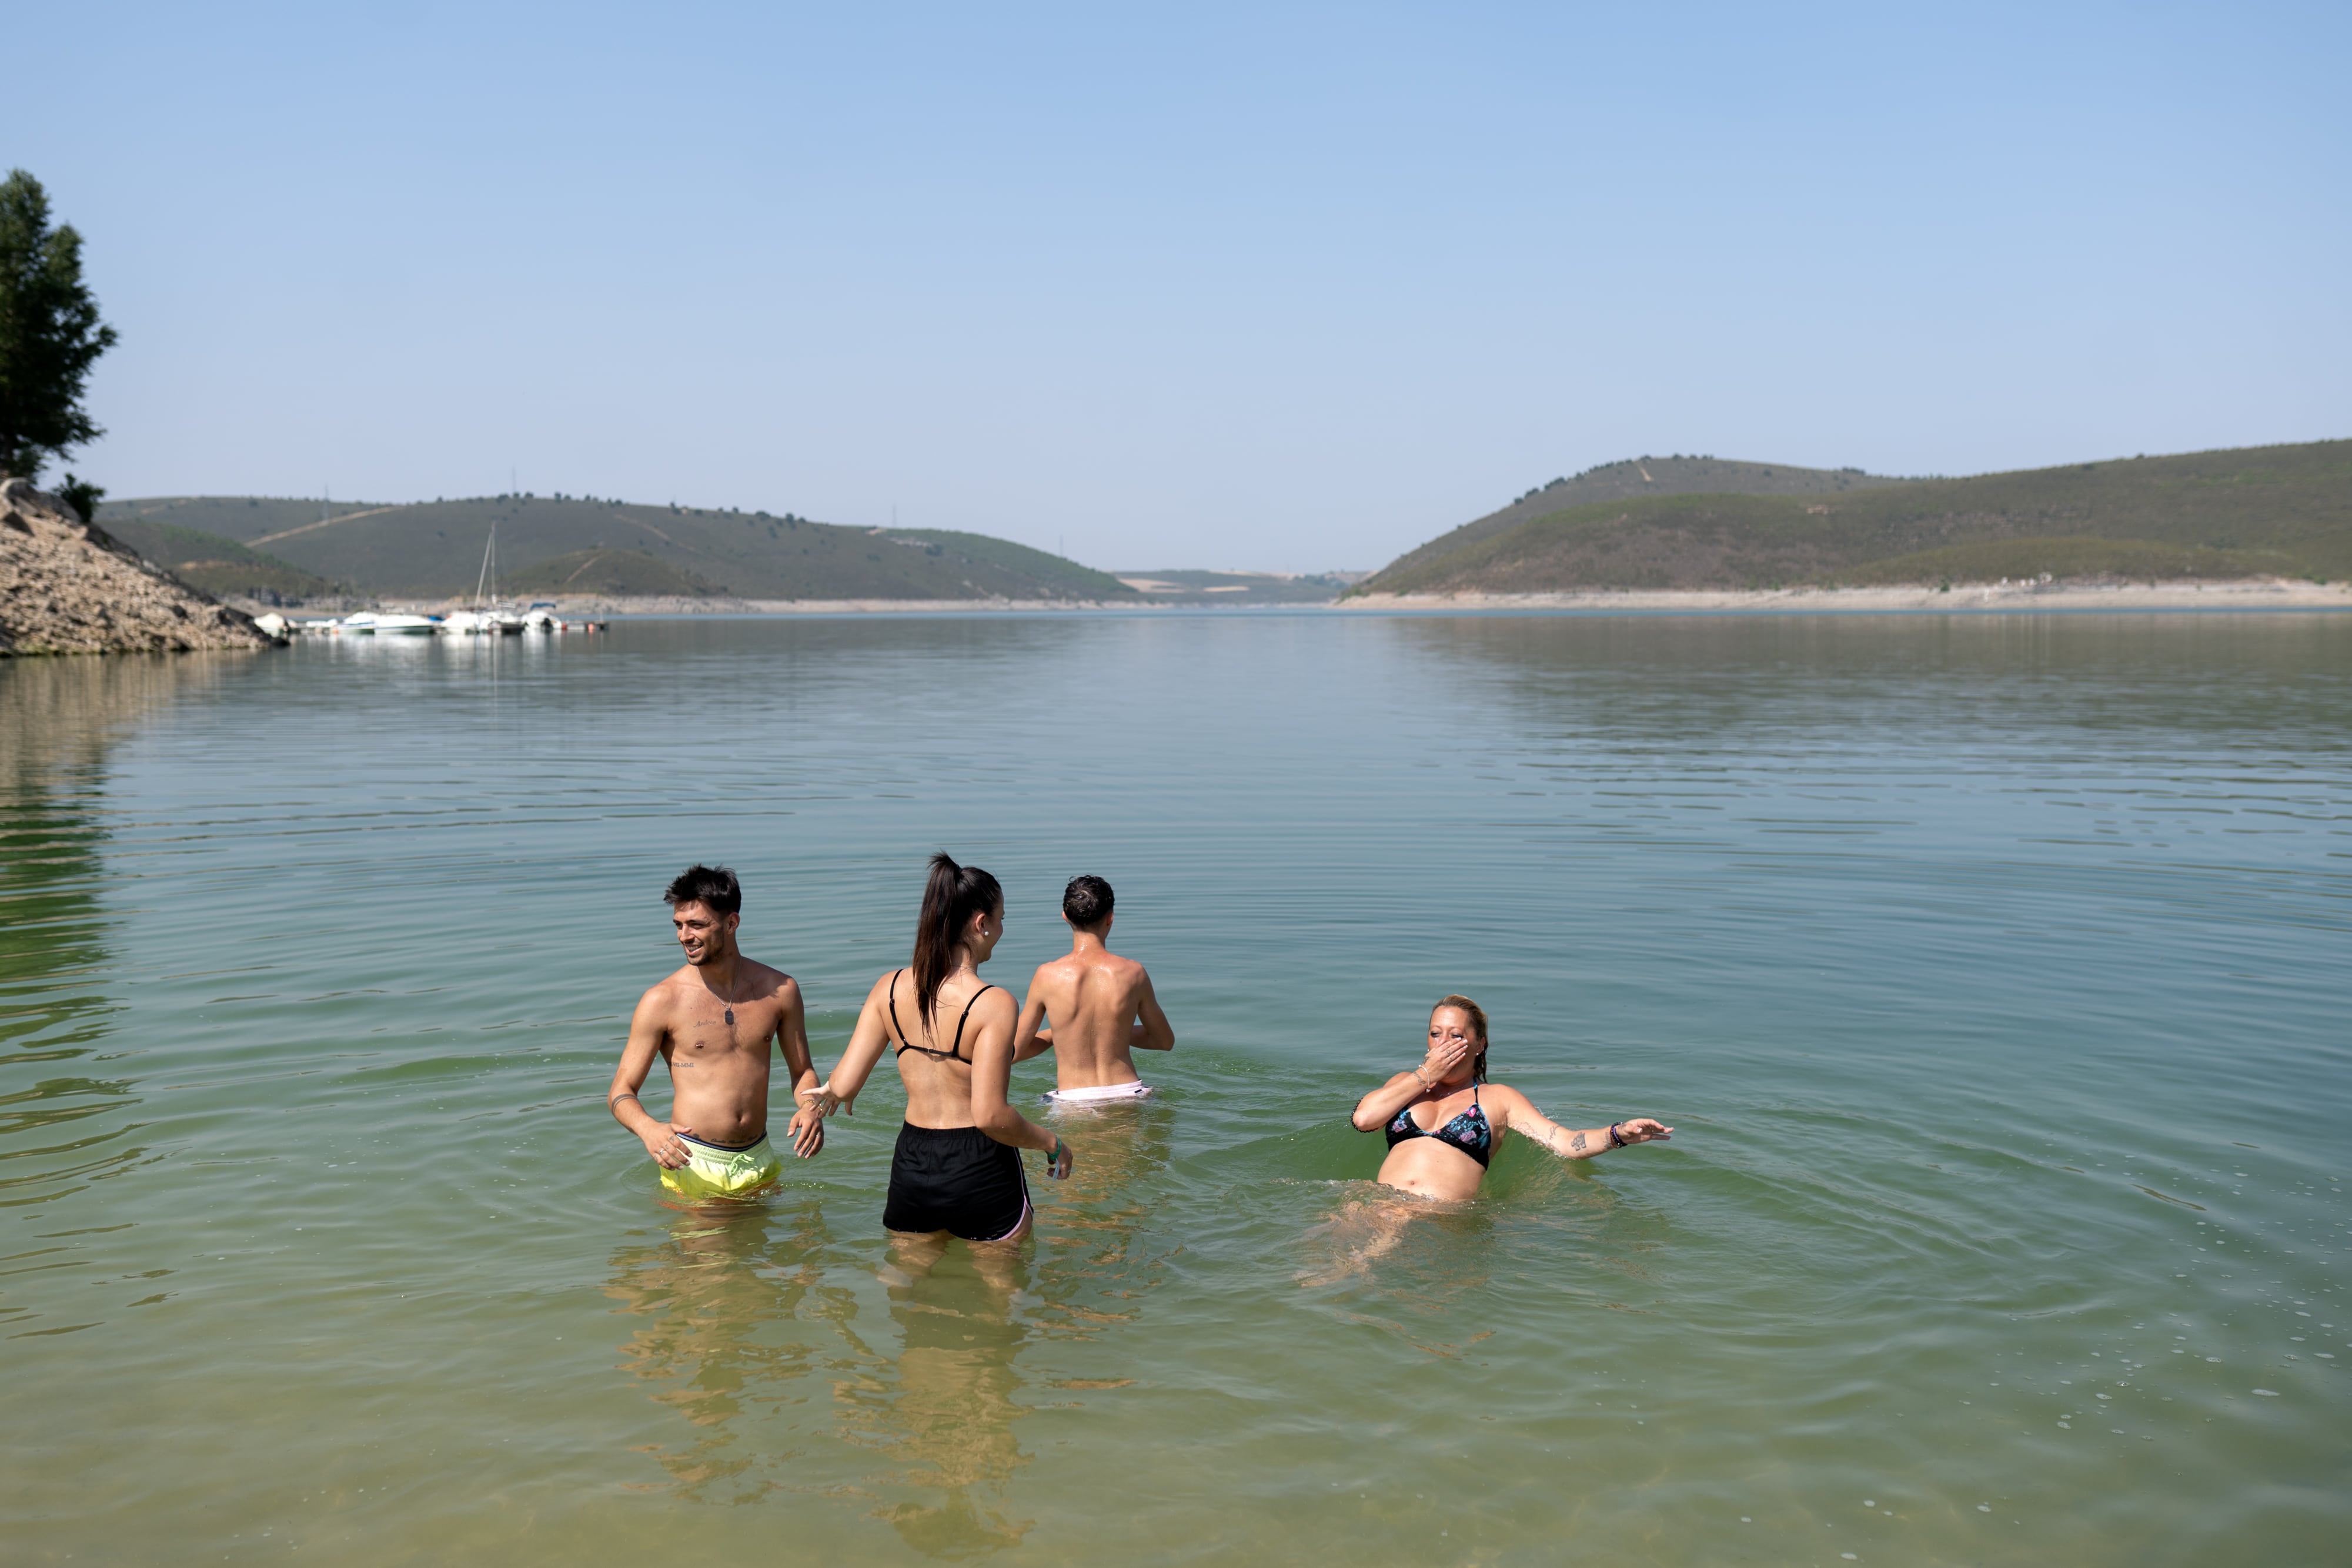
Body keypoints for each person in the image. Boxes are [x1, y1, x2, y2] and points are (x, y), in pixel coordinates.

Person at [810, 854, 1073, 1251]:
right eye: (1001, 918)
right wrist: (1052, 1142)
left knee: (907, 1292)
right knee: (999, 1300)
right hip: (979, 1163)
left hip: (913, 1164)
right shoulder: (994, 1003)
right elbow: (990, 1115)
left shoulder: (889, 987)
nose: (1002, 929)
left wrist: (822, 1096)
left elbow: (844, 1085)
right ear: (981, 924)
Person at [607, 864, 826, 1203]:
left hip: (760, 1156)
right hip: (694, 1161)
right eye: (679, 925)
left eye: (697, 925)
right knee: (710, 1258)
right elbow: (621, 1092)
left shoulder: (780, 990)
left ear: (732, 923)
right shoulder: (662, 1000)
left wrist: (811, 1107)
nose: (684, 936)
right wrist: (649, 1130)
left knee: (769, 1253)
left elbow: (802, 1072)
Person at [1351, 994, 1671, 1201]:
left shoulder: (1497, 1099)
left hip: (1442, 1220)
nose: (1443, 1044)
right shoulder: (1406, 1085)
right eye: (1436, 1034)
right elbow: (1364, 1121)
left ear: (1480, 1045)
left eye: (1457, 1036)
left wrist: (1619, 1135)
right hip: (1379, 1204)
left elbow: (1566, 1143)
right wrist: (1425, 1074)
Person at [1011, 874, 1175, 1104]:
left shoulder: (1047, 975)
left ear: (1065, 917)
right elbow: (1164, 1041)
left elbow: (1014, 1051)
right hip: (1129, 1093)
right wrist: (1114, 1031)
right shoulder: (1134, 973)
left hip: (1073, 1099)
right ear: (1110, 918)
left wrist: (1059, 1033)